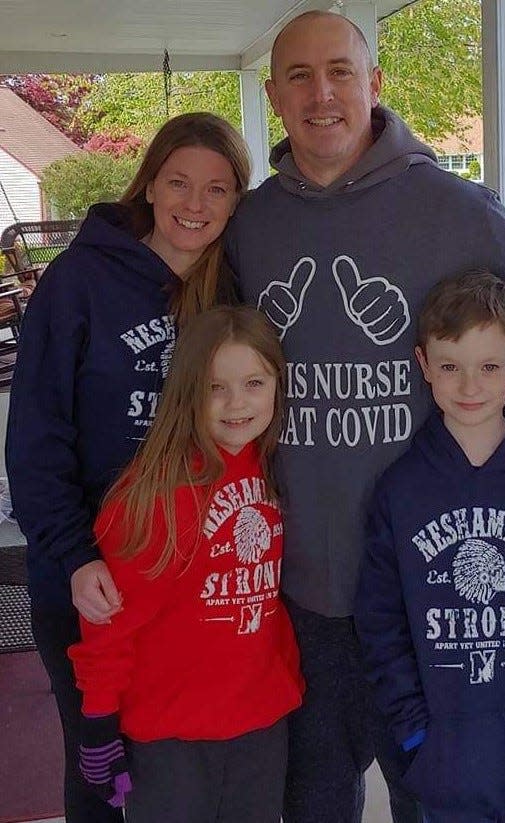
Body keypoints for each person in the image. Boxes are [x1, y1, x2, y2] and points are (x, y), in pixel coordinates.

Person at [225, 11, 505, 821]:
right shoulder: (250, 226)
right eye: (301, 77)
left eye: (341, 71)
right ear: (274, 95)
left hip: (431, 589)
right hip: (301, 587)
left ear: (375, 83)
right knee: (315, 797)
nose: (323, 94)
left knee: (426, 796)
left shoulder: (455, 209)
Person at [6, 112, 250, 823]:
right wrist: (75, 557)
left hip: (190, 584)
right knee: (99, 772)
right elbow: (35, 442)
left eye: (217, 188)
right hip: (92, 585)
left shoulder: (231, 291)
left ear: (238, 201)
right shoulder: (78, 282)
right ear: (150, 184)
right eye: (179, 182)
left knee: (177, 770)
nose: (195, 204)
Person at [354, 272, 505, 823]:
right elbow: (381, 617)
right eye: (450, 366)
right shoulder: (402, 486)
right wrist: (411, 728)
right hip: (439, 746)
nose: (470, 386)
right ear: (423, 363)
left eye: (490, 367)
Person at [67, 305, 303, 821]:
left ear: (277, 386)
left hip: (259, 725)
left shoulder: (277, 470)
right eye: (216, 387)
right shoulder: (152, 498)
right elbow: (108, 620)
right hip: (169, 738)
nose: (237, 403)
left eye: (254, 383)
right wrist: (99, 718)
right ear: (188, 391)